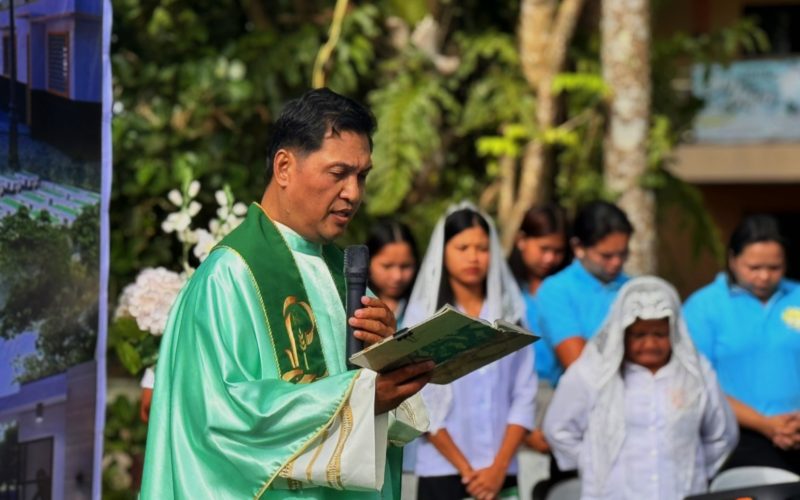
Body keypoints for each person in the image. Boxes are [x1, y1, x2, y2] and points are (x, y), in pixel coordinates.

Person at [140, 88, 432, 499]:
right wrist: (360, 400)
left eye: (362, 176)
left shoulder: (344, 276)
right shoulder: (229, 277)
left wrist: (388, 360)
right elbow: (223, 419)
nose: (353, 193)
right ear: (284, 167)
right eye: (338, 173)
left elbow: (379, 419)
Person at [543, 276, 738, 500]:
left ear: (674, 332)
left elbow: (721, 435)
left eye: (660, 334)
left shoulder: (696, 374)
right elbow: (558, 429)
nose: (650, 344)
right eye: (639, 335)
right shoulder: (593, 374)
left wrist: (693, 467)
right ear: (622, 334)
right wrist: (595, 463)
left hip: (680, 492)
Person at [405, 202, 537, 500]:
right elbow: (419, 399)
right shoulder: (423, 317)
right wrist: (467, 470)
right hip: (442, 470)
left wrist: (498, 467)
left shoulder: (511, 314)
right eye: (462, 247)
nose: (473, 257)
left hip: (501, 471)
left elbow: (524, 393)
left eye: (482, 247)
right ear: (443, 251)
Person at [683, 214, 800, 473]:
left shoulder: (797, 296)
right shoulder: (703, 307)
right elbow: (697, 382)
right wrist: (764, 424)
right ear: (733, 260)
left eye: (774, 267)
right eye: (754, 267)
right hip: (736, 440)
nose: (764, 277)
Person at [507, 204, 569, 496]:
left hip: (559, 399)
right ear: (522, 240)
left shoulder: (564, 289)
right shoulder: (504, 289)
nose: (550, 258)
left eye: (557, 251)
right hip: (511, 400)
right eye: (543, 248)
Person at [536, 200, 633, 370]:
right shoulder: (556, 290)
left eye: (623, 254)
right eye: (606, 256)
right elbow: (578, 365)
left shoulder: (633, 287)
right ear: (578, 247)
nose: (617, 262)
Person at [365, 219, 419, 326]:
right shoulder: (353, 305)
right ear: (368, 262)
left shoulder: (426, 307)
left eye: (405, 266)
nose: (397, 276)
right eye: (387, 266)